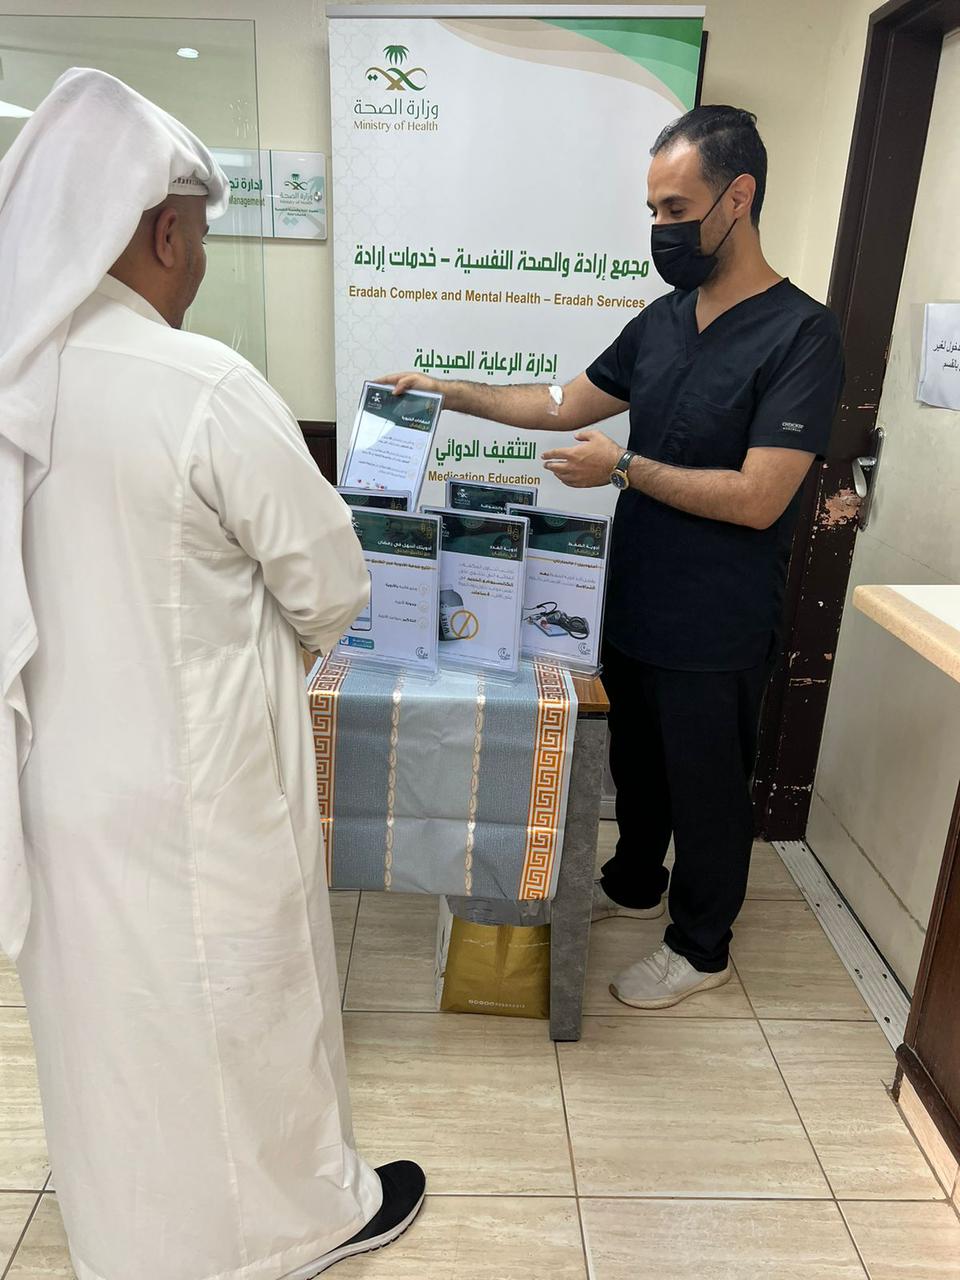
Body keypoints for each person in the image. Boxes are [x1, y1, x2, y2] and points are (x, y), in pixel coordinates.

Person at [0, 69, 424, 1280]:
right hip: (198, 785)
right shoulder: (202, 385)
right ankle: (292, 1230)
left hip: (55, 783)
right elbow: (331, 583)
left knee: (104, 1028)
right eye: (198, 238)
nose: (197, 265)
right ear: (163, 230)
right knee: (240, 1013)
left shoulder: (15, 383)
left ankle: (127, 1241)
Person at [385, 105, 844, 1011]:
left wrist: (625, 468)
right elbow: (564, 403)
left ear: (739, 198)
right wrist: (450, 393)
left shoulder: (802, 335)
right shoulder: (663, 321)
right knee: (637, 765)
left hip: (718, 619)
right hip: (634, 600)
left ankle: (701, 946)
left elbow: (760, 497)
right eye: (653, 210)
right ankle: (636, 883)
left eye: (677, 209)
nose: (661, 229)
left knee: (707, 786)